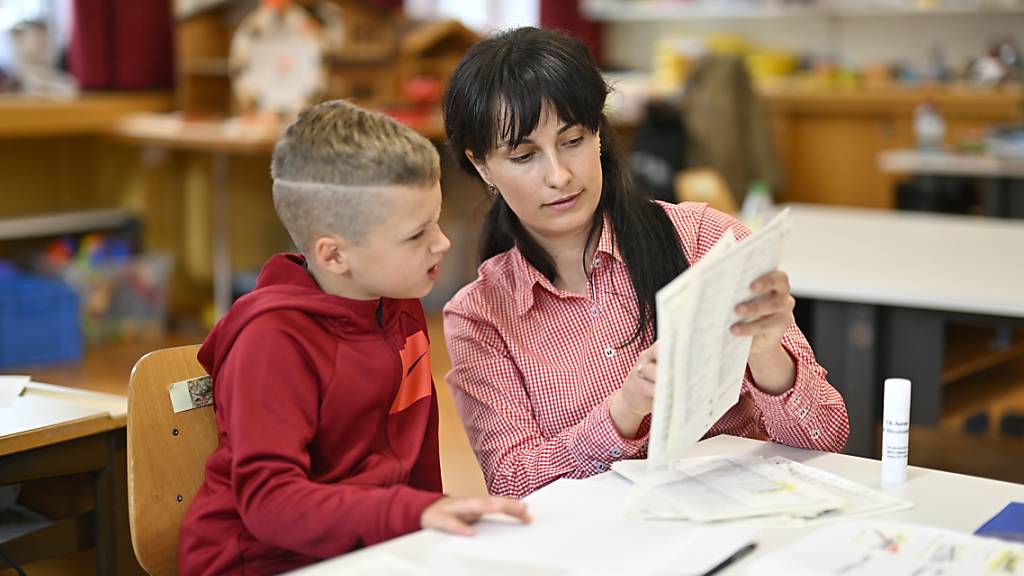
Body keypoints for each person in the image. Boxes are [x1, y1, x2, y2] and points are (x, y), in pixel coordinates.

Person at [441, 27, 850, 499]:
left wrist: (766, 353)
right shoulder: (480, 315)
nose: (559, 175)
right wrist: (624, 411)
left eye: (573, 140)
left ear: (598, 134)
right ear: (482, 166)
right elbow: (513, 482)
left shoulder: (705, 241)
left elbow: (826, 436)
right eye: (524, 155)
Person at [178, 100, 529, 575]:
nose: (442, 242)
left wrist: (429, 529)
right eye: (416, 235)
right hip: (264, 563)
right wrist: (412, 514)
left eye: (437, 220)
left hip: (370, 551)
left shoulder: (399, 301)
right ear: (335, 256)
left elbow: (417, 469)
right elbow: (269, 502)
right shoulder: (271, 342)